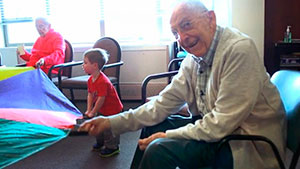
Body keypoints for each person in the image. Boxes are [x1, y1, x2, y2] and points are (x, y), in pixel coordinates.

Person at [79, 1, 286, 169]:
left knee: (159, 149)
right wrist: (111, 122)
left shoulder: (238, 51)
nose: (182, 38)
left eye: (186, 25)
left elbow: (220, 125)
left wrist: (168, 136)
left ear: (210, 19)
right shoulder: (192, 60)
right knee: (152, 126)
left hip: (245, 143)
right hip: (218, 133)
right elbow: (160, 105)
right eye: (175, 32)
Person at [82, 48, 123, 158]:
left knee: (110, 128)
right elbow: (90, 95)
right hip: (102, 109)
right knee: (98, 125)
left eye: (85, 63)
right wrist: (89, 110)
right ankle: (100, 142)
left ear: (95, 65)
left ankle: (112, 147)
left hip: (112, 109)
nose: (83, 65)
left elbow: (101, 98)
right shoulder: (90, 80)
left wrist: (94, 111)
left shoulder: (103, 81)